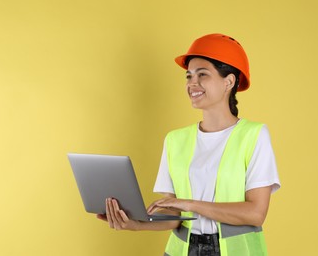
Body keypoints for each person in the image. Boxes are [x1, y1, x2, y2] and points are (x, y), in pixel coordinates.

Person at [97, 33, 281, 256]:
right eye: (189, 76)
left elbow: (255, 213)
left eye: (202, 74)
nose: (192, 83)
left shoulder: (254, 135)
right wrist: (135, 224)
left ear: (229, 82)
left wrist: (191, 204)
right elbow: (175, 216)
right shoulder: (175, 140)